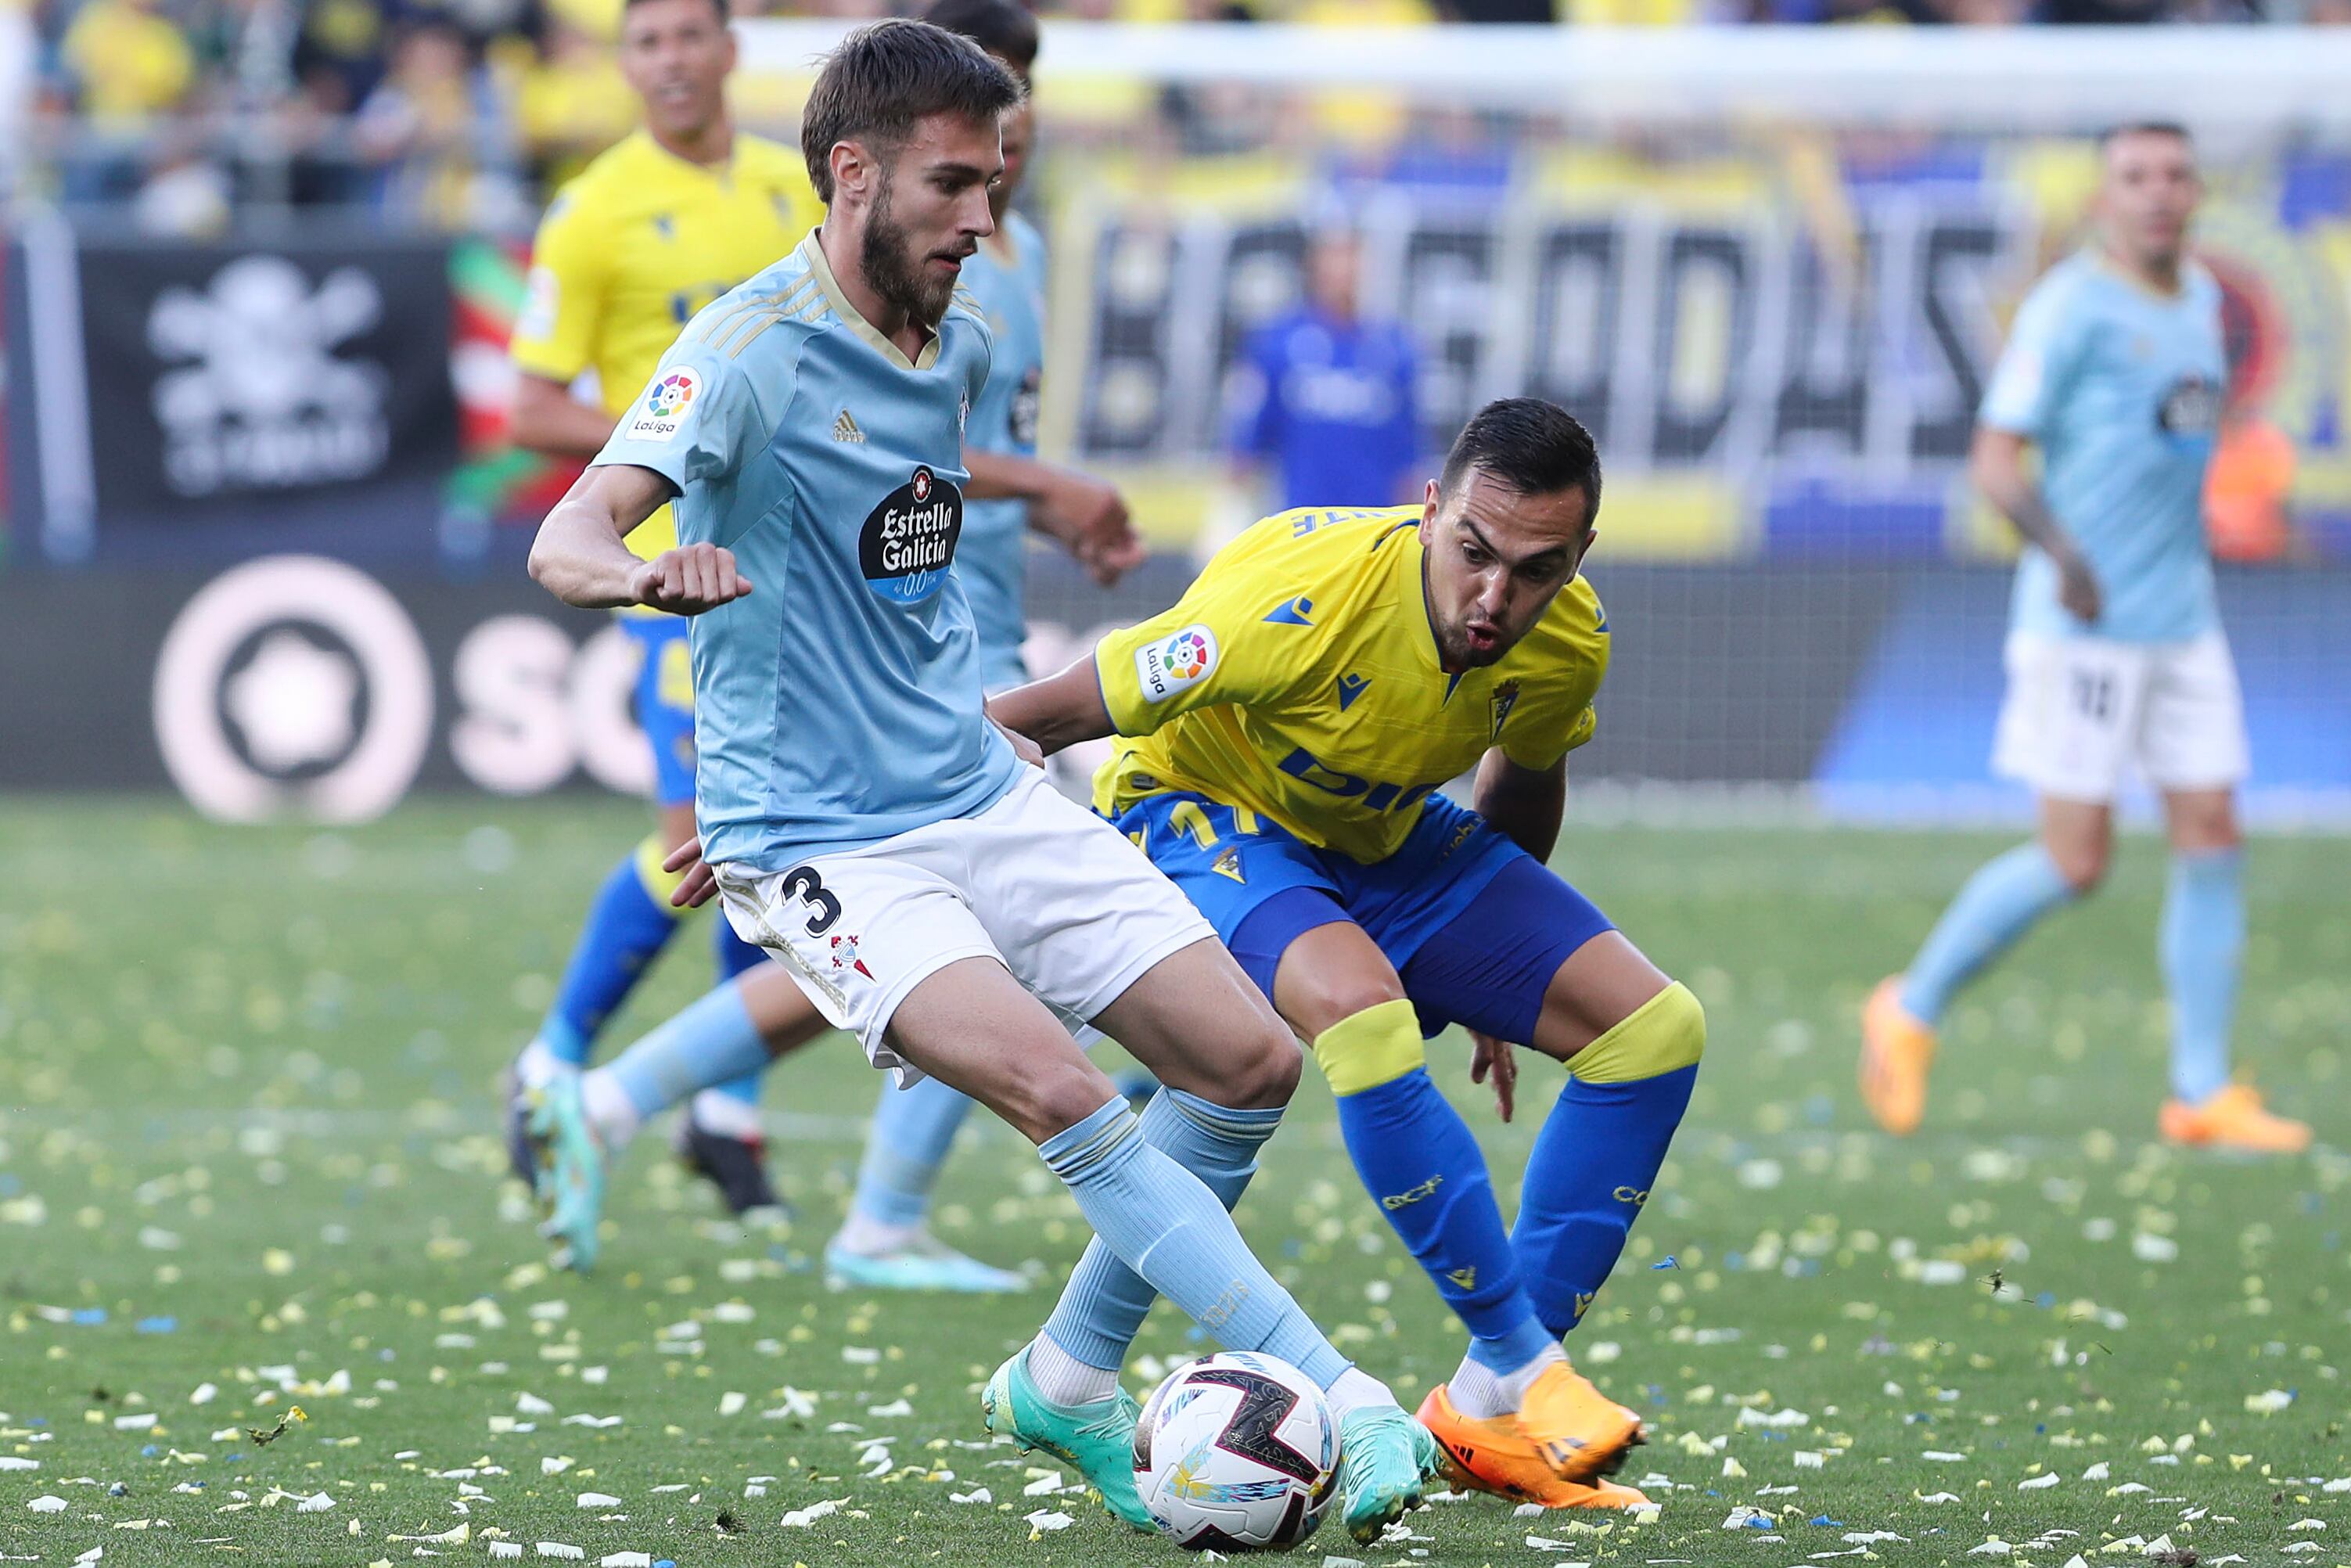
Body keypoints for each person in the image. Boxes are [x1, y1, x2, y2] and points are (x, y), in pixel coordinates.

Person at [522, 20, 1438, 1541]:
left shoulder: (948, 341)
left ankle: (1067, 1377)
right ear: (850, 171)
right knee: (1059, 1087)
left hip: (966, 779)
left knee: (1248, 1062)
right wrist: (644, 578)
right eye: (953, 184)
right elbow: (564, 534)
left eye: (996, 181)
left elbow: (901, 571)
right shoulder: (741, 352)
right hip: (822, 838)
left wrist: (998, 717)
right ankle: (1337, 1391)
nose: (980, 217)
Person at [528, 0, 1149, 1295]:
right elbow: (808, 404)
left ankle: (621, 1097)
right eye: (975, 140)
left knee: (889, 944)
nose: (1005, 148)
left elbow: (899, 410)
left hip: (943, 626)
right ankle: (841, 1190)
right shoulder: (611, 216)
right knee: (836, 907)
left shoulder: (978, 268)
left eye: (1016, 119)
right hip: (802, 609)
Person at [987, 399, 1683, 1511]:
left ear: (1579, 558)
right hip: (1202, 809)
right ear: (1429, 513)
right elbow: (1049, 714)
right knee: (1359, 1017)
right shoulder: (1298, 598)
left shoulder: (1569, 639)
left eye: (1535, 569)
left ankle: (1485, 1416)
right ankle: (1527, 1365)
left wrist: (1500, 991)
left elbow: (1524, 772)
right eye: (1472, 553)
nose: (1494, 597)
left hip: (1378, 835)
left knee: (1654, 1031)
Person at [1860, 123, 2308, 1155]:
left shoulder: (2199, 300)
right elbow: (1996, 462)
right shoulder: (2068, 308)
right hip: (2086, 628)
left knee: (2212, 833)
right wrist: (2064, 557)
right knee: (2076, 860)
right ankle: (1910, 1005)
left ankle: (2199, 1091)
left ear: (2197, 192)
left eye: (2173, 175)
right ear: (2104, 199)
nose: (2156, 193)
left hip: (2183, 621)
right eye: (2133, 177)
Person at [501, 0, 818, 1215]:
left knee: (769, 836)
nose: (673, 58)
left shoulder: (791, 189)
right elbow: (531, 409)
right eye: (649, 40)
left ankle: (723, 1115)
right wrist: (680, 434)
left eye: (694, 33)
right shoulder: (592, 211)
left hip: (789, 562)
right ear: (624, 64)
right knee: (698, 841)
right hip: (668, 568)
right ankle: (552, 1064)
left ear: (731, 52)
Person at [1226, 225, 1422, 512]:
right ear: (1314, 264)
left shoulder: (1396, 348)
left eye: (1351, 257)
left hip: (1373, 524)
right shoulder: (1278, 343)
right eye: (1334, 256)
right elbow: (1247, 442)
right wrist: (1230, 512)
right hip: (1301, 520)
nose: (1343, 269)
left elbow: (1408, 452)